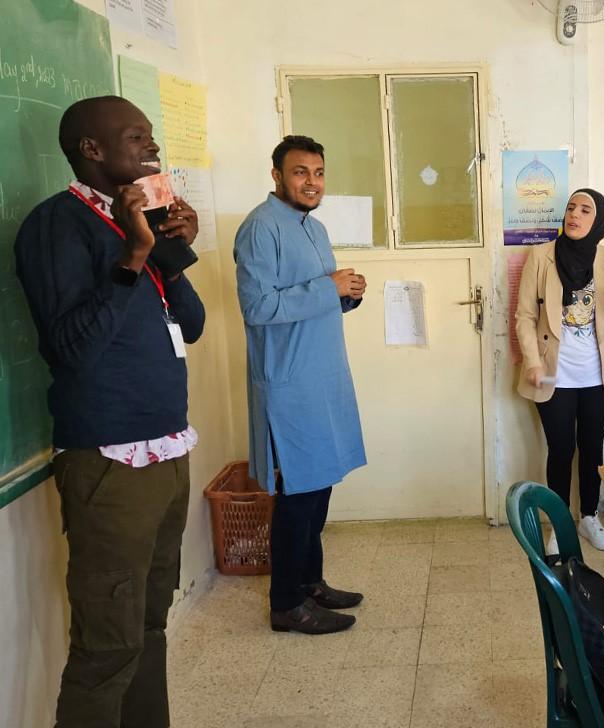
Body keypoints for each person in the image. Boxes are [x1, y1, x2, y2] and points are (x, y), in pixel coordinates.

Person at [14, 95, 205, 728]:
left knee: (149, 624)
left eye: (152, 136)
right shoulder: (56, 225)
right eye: (136, 137)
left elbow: (195, 326)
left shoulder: (138, 220)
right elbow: (72, 349)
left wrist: (169, 252)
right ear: (91, 151)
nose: (152, 149)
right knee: (108, 644)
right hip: (109, 461)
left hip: (166, 449)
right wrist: (133, 253)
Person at [234, 135, 367, 635]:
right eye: (300, 172)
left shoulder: (314, 226)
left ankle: (311, 582)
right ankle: (286, 604)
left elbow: (317, 297)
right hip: (288, 383)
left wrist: (347, 295)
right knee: (298, 495)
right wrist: (326, 288)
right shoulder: (260, 229)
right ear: (276, 176)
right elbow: (258, 308)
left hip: (323, 377)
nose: (311, 182)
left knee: (320, 485)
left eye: (318, 173)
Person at [516, 188, 604, 553]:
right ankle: (559, 524)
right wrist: (534, 363)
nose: (575, 215)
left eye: (586, 210)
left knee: (591, 447)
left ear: (598, 220)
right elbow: (524, 316)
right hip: (554, 373)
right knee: (561, 448)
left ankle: (588, 517)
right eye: (571, 208)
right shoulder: (541, 256)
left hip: (597, 375)